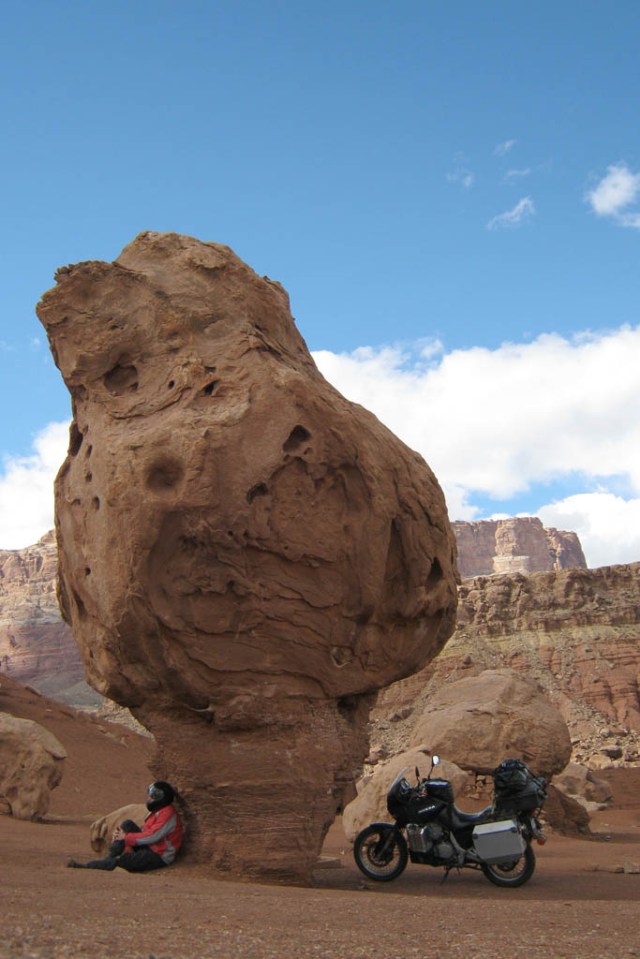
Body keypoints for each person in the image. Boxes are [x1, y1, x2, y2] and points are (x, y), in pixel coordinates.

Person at [67, 781, 183, 872]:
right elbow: (145, 830)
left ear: (163, 798)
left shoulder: (168, 814)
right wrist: (121, 835)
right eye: (150, 794)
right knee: (127, 824)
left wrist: (125, 838)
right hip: (151, 847)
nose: (149, 799)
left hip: (159, 856)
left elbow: (153, 836)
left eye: (154, 796)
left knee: (122, 861)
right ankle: (110, 857)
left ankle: (89, 867)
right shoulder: (157, 811)